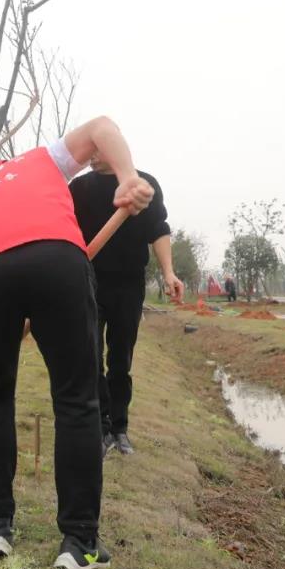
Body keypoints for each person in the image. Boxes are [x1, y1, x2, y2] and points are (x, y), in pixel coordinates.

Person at [0, 116, 154, 569]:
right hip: (57, 260)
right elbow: (101, 125)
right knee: (77, 399)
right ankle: (80, 543)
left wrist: (4, 301)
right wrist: (128, 178)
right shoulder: (39, 160)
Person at [69, 162, 184, 458]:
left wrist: (169, 273)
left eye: (100, 146)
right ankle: (100, 426)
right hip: (87, 283)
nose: (92, 154)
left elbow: (158, 229)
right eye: (90, 147)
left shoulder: (143, 184)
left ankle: (119, 428)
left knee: (121, 359)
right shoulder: (79, 188)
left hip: (128, 285)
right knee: (90, 357)